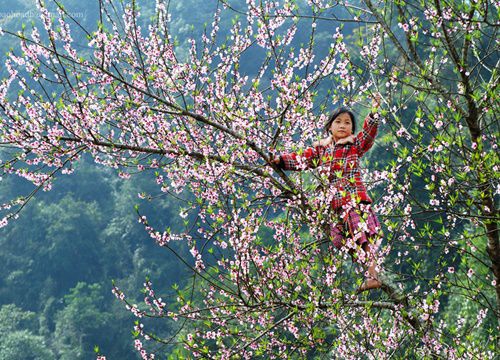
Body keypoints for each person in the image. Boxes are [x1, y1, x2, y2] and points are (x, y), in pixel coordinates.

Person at [271, 94, 383, 292]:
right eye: (338, 122)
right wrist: (280, 160)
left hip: (355, 201)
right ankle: (368, 274)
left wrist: (373, 112)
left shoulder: (354, 146)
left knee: (364, 238)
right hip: (335, 207)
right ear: (329, 127)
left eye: (347, 123)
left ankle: (373, 276)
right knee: (346, 241)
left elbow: (368, 134)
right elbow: (300, 160)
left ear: (352, 129)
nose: (342, 126)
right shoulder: (320, 151)